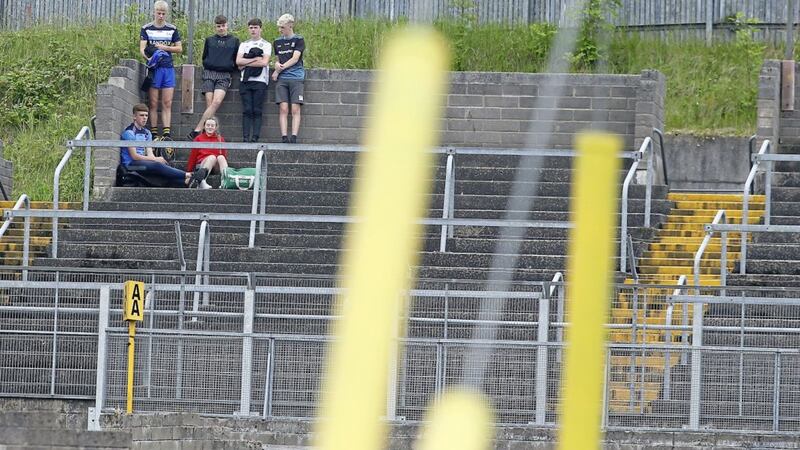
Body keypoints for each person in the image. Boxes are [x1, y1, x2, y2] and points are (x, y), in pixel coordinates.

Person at [121, 104, 207, 188]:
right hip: (131, 166)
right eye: (141, 115)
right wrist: (155, 160)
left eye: (146, 115)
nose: (144, 118)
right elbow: (134, 156)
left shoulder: (147, 133)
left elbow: (150, 153)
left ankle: (187, 182)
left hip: (143, 163)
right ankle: (189, 175)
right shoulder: (129, 133)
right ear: (134, 117)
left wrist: (155, 160)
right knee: (157, 166)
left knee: (162, 171)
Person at [188, 15, 240, 140]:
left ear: (227, 25)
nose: (221, 28)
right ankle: (208, 136)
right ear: (215, 27)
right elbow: (204, 57)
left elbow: (236, 58)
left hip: (224, 75)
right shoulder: (210, 40)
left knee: (216, 102)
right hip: (210, 73)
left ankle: (197, 130)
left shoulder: (234, 40)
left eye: (223, 26)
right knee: (210, 105)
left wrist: (230, 66)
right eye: (218, 26)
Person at [139, 0, 182, 140]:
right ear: (154, 12)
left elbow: (179, 48)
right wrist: (151, 59)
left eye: (163, 13)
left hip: (168, 68)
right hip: (154, 69)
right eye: (159, 13)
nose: (161, 16)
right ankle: (154, 133)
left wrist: (165, 48)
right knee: (153, 102)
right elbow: (142, 49)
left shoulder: (172, 29)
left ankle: (166, 134)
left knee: (167, 102)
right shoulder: (146, 28)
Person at [236, 18, 272, 143]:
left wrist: (246, 62)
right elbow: (238, 62)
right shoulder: (244, 44)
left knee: (257, 109)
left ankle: (255, 137)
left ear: (260, 29)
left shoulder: (266, 45)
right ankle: (245, 137)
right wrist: (253, 60)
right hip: (245, 80)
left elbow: (264, 62)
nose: (253, 30)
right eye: (251, 27)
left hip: (260, 81)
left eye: (255, 27)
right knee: (247, 110)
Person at [272, 13, 305, 144]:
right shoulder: (277, 42)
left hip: (296, 77)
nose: (280, 30)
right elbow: (277, 60)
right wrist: (276, 66)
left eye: (283, 27)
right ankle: (284, 137)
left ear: (290, 26)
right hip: (282, 79)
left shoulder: (299, 40)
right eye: (279, 27)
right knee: (283, 108)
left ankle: (294, 136)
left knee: (295, 108)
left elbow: (295, 58)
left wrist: (279, 69)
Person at [187, 117, 229, 189]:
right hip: (202, 165)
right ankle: (202, 181)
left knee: (221, 157)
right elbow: (193, 156)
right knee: (212, 157)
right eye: (208, 125)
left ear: (216, 127)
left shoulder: (220, 139)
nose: (210, 127)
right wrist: (189, 171)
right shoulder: (198, 138)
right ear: (204, 126)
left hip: (215, 166)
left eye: (212, 126)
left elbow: (224, 155)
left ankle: (226, 181)